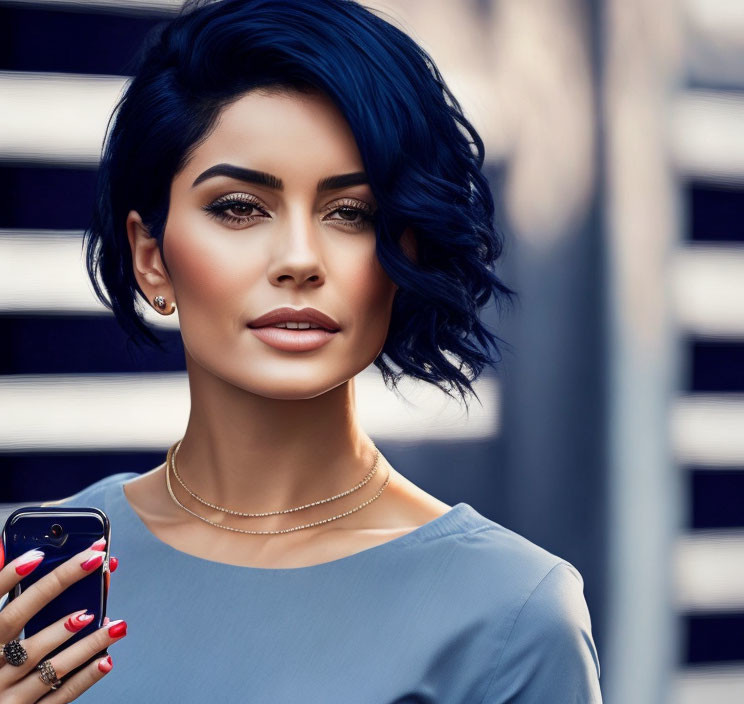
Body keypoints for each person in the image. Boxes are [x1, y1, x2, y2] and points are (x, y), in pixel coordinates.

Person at [0, 0, 602, 701]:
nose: (298, 259)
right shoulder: (52, 580)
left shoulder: (512, 614)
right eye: (239, 208)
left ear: (403, 252)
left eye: (351, 213)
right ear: (151, 258)